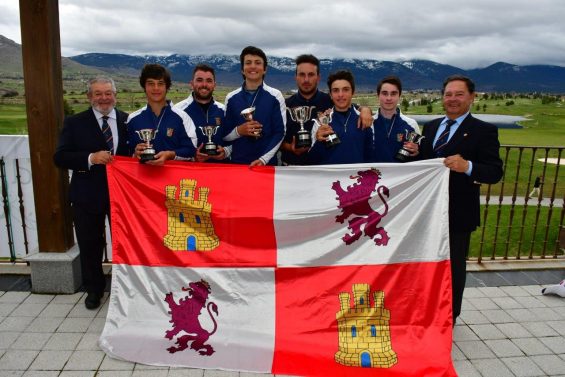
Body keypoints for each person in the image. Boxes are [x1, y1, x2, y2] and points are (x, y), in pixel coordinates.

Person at [418, 75, 503, 323]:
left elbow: (494, 172)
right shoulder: (432, 127)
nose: (452, 99)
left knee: (453, 267)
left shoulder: (484, 130)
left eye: (459, 94)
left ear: (472, 97)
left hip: (458, 213)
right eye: (448, 94)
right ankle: (426, 309)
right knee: (426, 264)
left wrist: (467, 166)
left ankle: (448, 317)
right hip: (427, 211)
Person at [53, 77, 129, 309]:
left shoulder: (129, 120)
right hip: (87, 195)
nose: (104, 98)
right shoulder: (75, 122)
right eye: (98, 93)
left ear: (115, 95)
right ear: (89, 97)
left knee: (125, 246)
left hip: (123, 198)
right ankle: (94, 290)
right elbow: (60, 157)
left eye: (108, 93)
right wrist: (90, 158)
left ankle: (125, 289)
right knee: (90, 245)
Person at [282, 54, 373, 165]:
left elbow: (348, 105)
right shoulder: (284, 105)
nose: (306, 79)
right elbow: (275, 137)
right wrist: (290, 148)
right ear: (295, 77)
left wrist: (365, 110)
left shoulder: (329, 100)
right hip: (291, 169)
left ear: (318, 77)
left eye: (311, 74)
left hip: (323, 172)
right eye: (302, 75)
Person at [223, 46, 285, 166]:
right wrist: (239, 131)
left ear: (264, 69)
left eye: (257, 63)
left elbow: (280, 132)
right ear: (242, 69)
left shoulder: (276, 96)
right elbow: (225, 135)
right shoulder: (231, 98)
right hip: (238, 164)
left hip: (267, 165)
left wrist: (263, 159)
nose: (253, 66)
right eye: (248, 63)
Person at [127, 64, 198, 165]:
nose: (156, 88)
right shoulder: (133, 119)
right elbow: (127, 154)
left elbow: (191, 150)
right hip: (143, 178)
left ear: (167, 87)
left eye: (160, 83)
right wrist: (135, 153)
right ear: (144, 87)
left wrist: (170, 154)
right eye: (151, 83)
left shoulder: (182, 117)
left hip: (173, 179)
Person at [308, 70, 373, 165]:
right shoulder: (320, 122)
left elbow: (371, 157)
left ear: (353, 92)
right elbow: (312, 160)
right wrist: (319, 141)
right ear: (330, 95)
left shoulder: (365, 119)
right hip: (330, 178)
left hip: (356, 178)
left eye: (345, 89)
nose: (340, 95)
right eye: (335, 90)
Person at [174, 64, 228, 162]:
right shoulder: (178, 111)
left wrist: (226, 152)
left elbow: (232, 140)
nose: (204, 84)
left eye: (209, 81)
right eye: (199, 80)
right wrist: (191, 155)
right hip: (190, 173)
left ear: (214, 85)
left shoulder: (224, 110)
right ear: (192, 83)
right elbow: (172, 144)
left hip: (220, 171)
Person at [371, 75, 420, 162]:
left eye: (393, 93)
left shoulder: (411, 124)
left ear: (399, 96)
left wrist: (417, 151)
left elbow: (418, 158)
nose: (389, 98)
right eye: (384, 93)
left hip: (402, 175)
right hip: (374, 175)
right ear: (378, 95)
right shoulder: (368, 123)